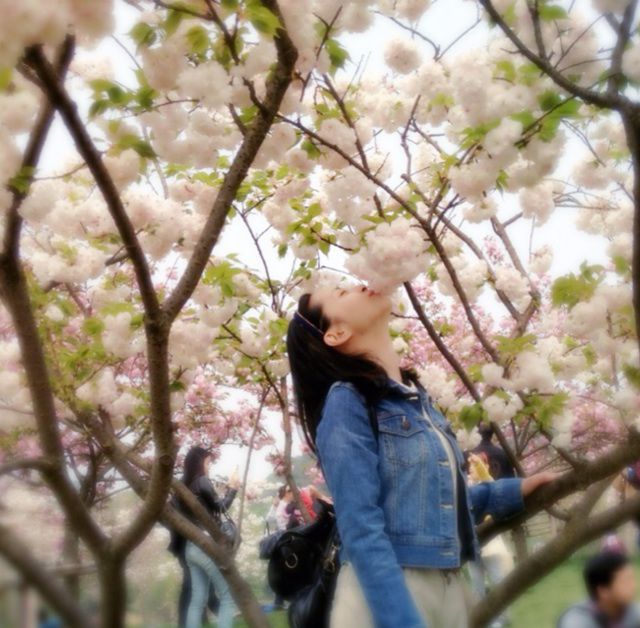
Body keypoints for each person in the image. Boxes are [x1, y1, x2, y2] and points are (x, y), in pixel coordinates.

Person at [286, 282, 557, 628]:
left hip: (448, 589)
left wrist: (507, 493)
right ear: (336, 333)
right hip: (387, 598)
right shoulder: (347, 402)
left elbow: (430, 504)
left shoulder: (419, 401)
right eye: (341, 294)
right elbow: (361, 527)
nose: (359, 285)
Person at [179, 446, 239, 628]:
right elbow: (221, 507)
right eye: (208, 462)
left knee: (198, 600)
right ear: (200, 462)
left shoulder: (184, 484)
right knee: (228, 596)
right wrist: (233, 489)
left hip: (191, 547)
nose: (209, 466)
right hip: (205, 545)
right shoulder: (202, 480)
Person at [558, 552, 640, 627]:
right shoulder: (576, 621)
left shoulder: (631, 613)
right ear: (603, 590)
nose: (634, 586)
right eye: (626, 581)